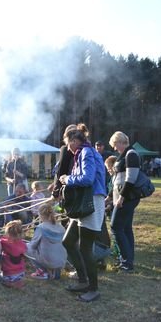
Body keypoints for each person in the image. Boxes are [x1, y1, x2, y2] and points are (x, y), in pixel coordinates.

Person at [59, 124, 106, 302]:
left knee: (85, 248)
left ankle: (93, 289)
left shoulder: (86, 152)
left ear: (74, 141)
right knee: (68, 241)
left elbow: (87, 178)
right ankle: (83, 280)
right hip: (84, 203)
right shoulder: (82, 152)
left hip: (91, 203)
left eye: (68, 144)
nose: (68, 148)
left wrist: (67, 179)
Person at [108, 131, 141, 272]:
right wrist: (110, 196)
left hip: (126, 198)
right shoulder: (125, 154)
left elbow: (130, 179)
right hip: (122, 197)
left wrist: (121, 197)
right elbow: (118, 179)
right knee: (126, 228)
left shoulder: (131, 154)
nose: (115, 148)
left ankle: (126, 261)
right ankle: (128, 261)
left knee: (115, 227)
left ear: (121, 142)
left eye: (115, 145)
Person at [26, 203, 66, 280]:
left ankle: (43, 271)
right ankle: (54, 270)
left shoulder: (41, 227)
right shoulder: (61, 227)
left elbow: (33, 245)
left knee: (26, 247)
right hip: (61, 260)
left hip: (48, 259)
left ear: (41, 215)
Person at [0, 220, 27, 288]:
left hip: (9, 273)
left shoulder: (4, 243)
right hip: (21, 273)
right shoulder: (23, 244)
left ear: (7, 232)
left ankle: (10, 283)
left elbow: (0, 242)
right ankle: (17, 282)